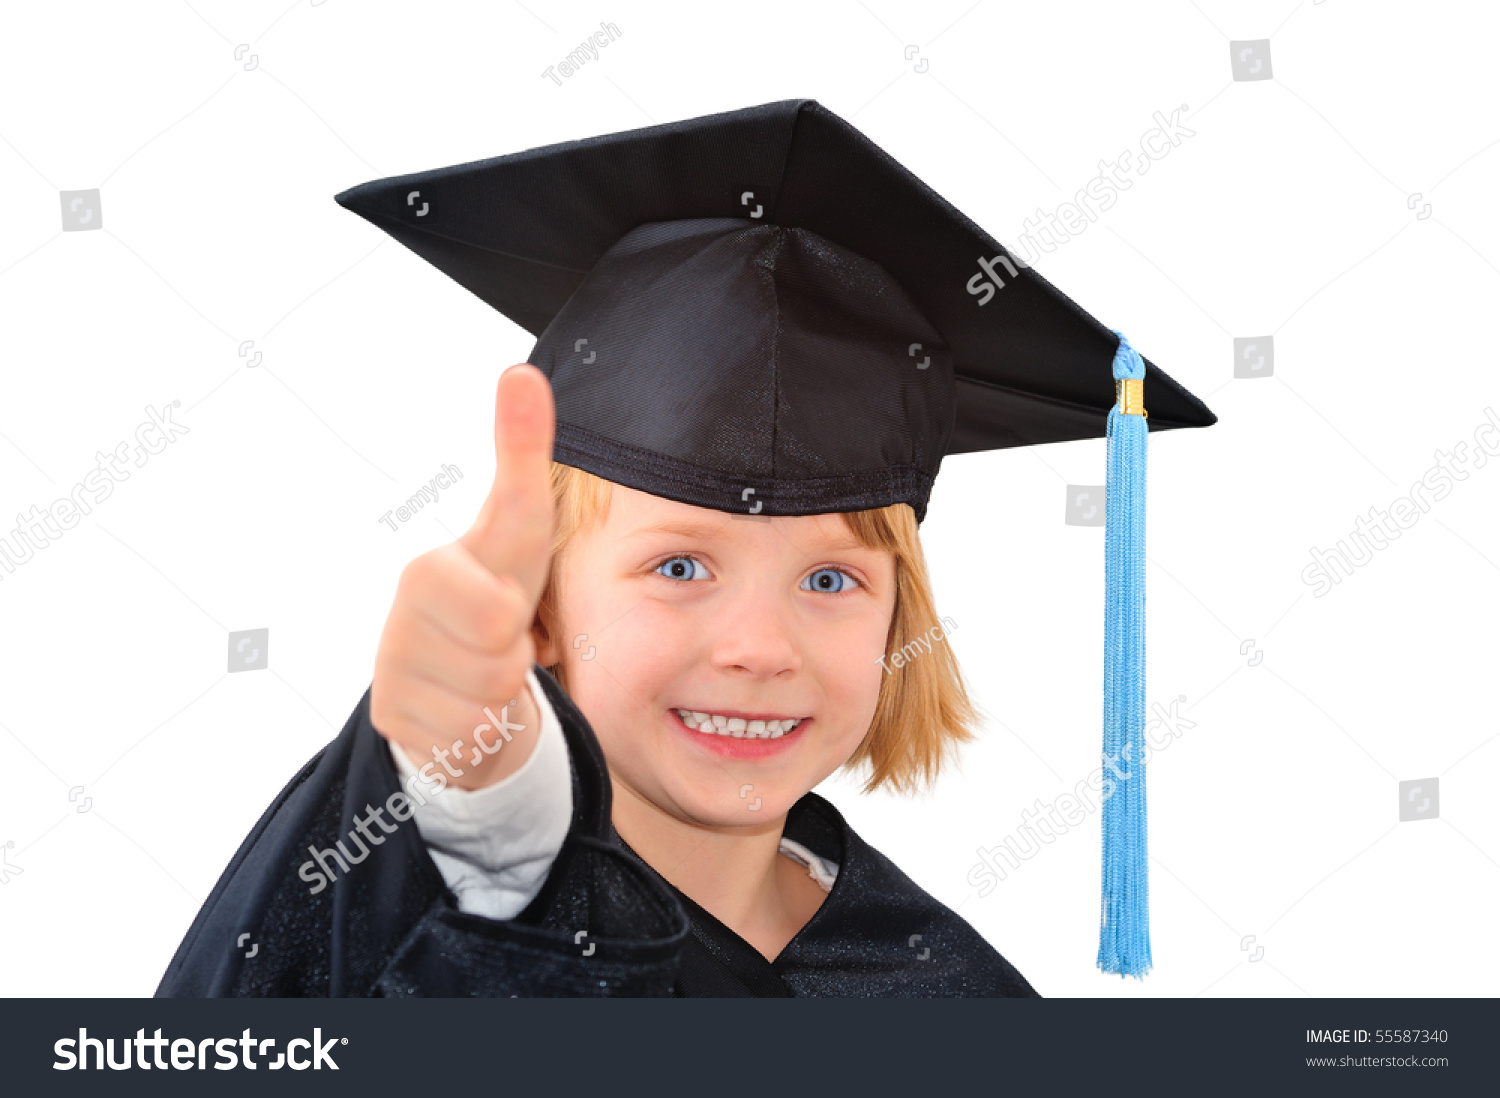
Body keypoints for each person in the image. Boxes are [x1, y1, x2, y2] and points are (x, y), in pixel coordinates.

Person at [156, 100, 1213, 997]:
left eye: (832, 577)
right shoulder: (414, 892)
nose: (760, 646)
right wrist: (472, 786)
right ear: (541, 605)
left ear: (904, 619)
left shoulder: (947, 988)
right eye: (679, 566)